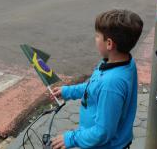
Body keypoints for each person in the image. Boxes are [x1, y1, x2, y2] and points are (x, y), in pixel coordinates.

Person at [51, 9, 143, 149]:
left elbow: (103, 133)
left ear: (109, 44)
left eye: (97, 36)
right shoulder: (119, 62)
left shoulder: (111, 84)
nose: (95, 39)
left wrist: (71, 139)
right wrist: (68, 91)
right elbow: (93, 87)